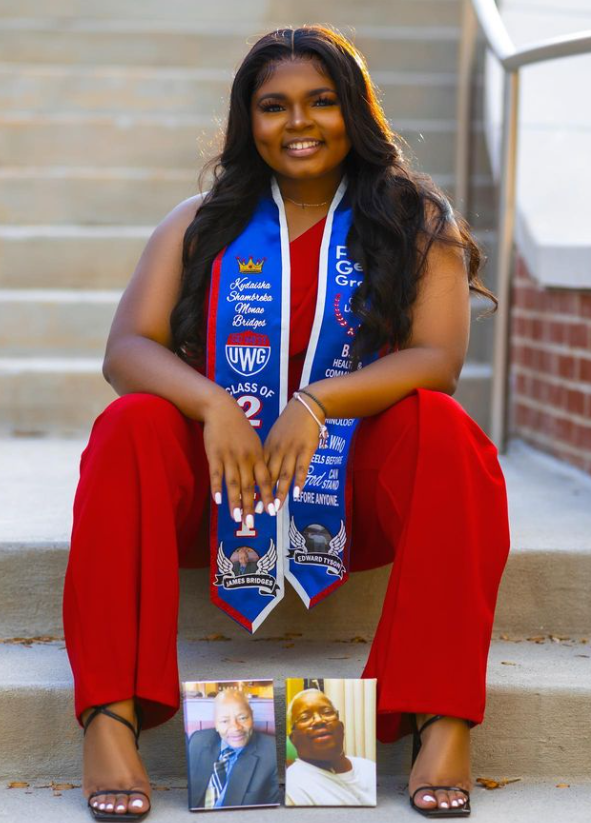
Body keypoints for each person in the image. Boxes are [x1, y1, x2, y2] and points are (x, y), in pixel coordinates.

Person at [63, 24, 510, 820]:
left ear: (354, 112)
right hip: (223, 483)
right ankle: (110, 717)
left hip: (349, 485)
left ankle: (440, 717)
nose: (298, 122)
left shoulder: (413, 221)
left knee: (445, 431)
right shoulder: (201, 222)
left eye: (320, 101)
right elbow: (126, 347)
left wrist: (316, 402)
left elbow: (437, 359)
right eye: (273, 106)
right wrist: (211, 405)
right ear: (249, 119)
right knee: (130, 424)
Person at [187, 689, 279, 809]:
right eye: (224, 721)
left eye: (243, 718)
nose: (235, 727)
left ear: (252, 716)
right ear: (216, 724)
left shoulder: (271, 752)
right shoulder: (197, 741)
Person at [286, 688, 376, 806]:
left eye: (327, 712)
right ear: (293, 739)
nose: (319, 720)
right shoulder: (293, 787)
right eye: (304, 717)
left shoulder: (370, 768)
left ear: (341, 727)